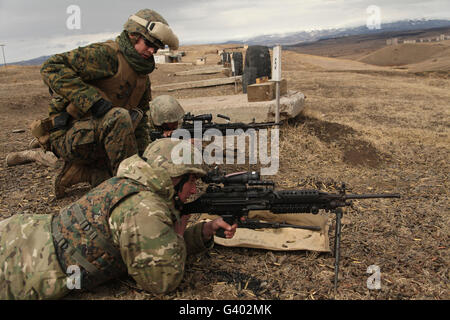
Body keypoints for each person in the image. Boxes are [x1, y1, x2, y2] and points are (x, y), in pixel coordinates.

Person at [0, 139, 237, 299]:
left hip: (26, 232)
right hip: (26, 268)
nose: (194, 191)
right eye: (192, 181)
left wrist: (205, 230)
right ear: (173, 178)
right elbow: (161, 280)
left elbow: (153, 246)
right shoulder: (145, 208)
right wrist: (179, 227)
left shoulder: (132, 183)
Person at [35, 9, 179, 198]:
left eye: (157, 47)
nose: (152, 51)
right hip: (68, 136)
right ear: (133, 35)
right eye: (149, 44)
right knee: (118, 117)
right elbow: (51, 67)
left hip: (99, 139)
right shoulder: (106, 55)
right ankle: (126, 188)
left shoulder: (142, 75)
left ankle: (86, 172)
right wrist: (92, 101)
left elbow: (141, 119)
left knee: (109, 175)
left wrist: (144, 159)